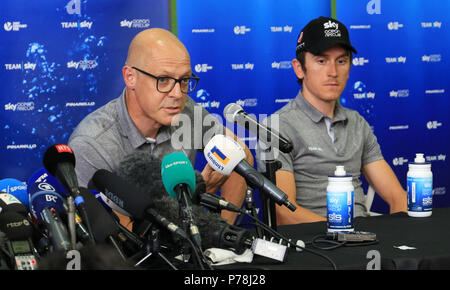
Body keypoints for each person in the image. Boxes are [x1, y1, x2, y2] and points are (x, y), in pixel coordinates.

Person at [68, 28, 253, 227]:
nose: (177, 94)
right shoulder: (92, 144)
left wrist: (219, 236)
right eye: (163, 80)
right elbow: (117, 234)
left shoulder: (183, 109)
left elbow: (239, 154)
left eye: (184, 80)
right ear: (130, 77)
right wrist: (197, 194)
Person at [256, 16, 407, 225]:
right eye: (321, 61)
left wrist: (401, 239)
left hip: (363, 240)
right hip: (314, 247)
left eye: (341, 61)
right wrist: (343, 235)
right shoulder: (276, 127)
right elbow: (284, 213)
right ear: (299, 68)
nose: (333, 72)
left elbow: (397, 197)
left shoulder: (358, 123)